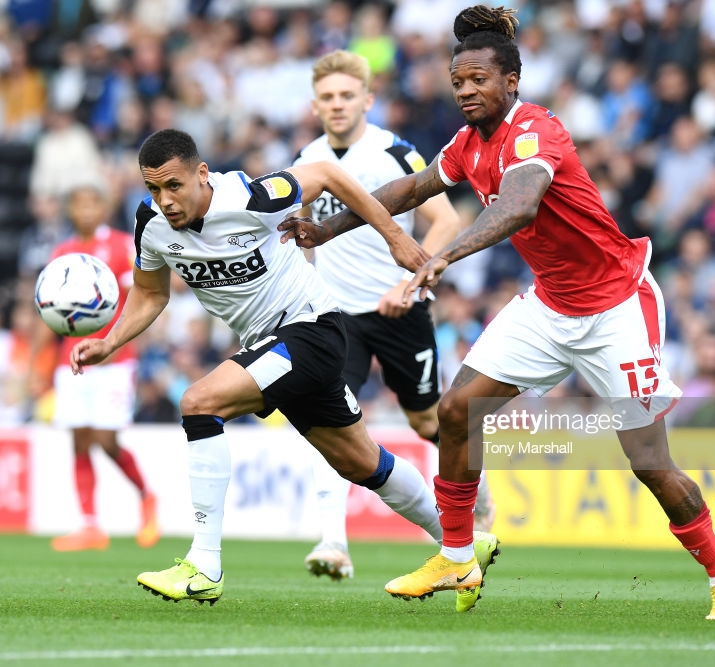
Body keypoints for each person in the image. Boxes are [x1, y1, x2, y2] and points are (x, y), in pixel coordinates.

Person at [279, 5, 715, 620]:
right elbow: (408, 191)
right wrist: (327, 229)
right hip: (551, 304)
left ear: (511, 82)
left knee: (650, 463)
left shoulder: (535, 131)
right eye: (458, 83)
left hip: (617, 307)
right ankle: (456, 555)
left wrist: (442, 255)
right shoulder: (468, 144)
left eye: (478, 80)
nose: (466, 91)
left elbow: (521, 207)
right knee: (455, 410)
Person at [69, 128, 499, 610]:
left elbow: (329, 174)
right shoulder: (150, 223)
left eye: (174, 186)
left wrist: (396, 237)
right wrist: (108, 342)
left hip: (312, 329)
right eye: (153, 189)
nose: (164, 200)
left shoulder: (249, 197)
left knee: (199, 403)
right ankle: (463, 543)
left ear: (202, 175)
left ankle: (204, 564)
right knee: (360, 462)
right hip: (274, 346)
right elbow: (151, 294)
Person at [294, 49, 494, 582]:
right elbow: (304, 239)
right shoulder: (308, 161)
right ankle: (333, 542)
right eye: (328, 98)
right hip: (337, 317)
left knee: (427, 420)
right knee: (327, 419)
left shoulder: (395, 153)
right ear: (315, 105)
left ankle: (481, 497)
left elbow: (446, 220)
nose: (337, 105)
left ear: (367, 99)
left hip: (398, 309)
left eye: (346, 95)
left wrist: (409, 284)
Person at [48, 184, 159, 552]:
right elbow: (46, 309)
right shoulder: (62, 252)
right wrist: (39, 362)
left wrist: (124, 344)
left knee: (106, 440)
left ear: (103, 207)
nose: (85, 210)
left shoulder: (121, 245)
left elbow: (141, 297)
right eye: (78, 202)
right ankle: (89, 525)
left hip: (115, 360)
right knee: (79, 440)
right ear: (71, 209)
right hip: (73, 358)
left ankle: (146, 496)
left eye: (92, 202)